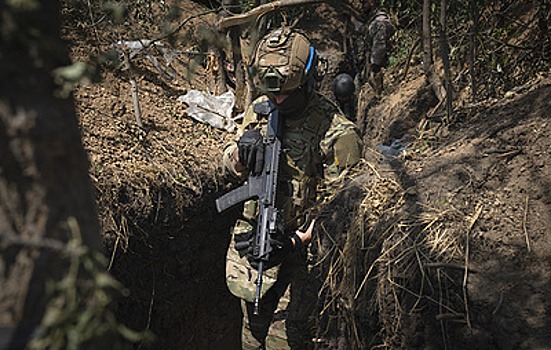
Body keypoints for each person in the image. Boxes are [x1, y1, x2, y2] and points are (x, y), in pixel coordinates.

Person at [221, 26, 363, 349]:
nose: (278, 100)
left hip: (303, 256)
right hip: (255, 246)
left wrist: (298, 240)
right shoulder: (260, 110)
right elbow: (225, 163)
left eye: (287, 93)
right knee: (251, 332)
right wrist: (240, 156)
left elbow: (343, 211)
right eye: (273, 94)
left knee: (286, 338)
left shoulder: (338, 132)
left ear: (309, 80)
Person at [356, 0, 395, 96]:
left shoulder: (380, 22)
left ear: (372, 3)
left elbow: (379, 46)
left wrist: (374, 67)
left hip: (380, 67)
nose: (362, 6)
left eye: (364, 3)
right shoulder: (373, 21)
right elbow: (364, 31)